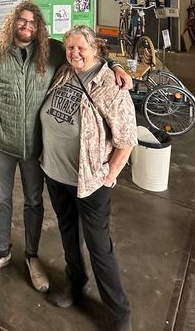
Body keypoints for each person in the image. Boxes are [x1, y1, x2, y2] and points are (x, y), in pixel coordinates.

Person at [0, 1, 132, 294]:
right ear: (12, 22)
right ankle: (1, 252)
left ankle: (32, 257)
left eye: (33, 23)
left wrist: (116, 66)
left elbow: (88, 54)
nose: (27, 27)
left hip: (36, 148)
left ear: (40, 27)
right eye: (22, 21)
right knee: (1, 200)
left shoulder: (54, 50)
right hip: (2, 143)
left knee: (34, 202)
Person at [40, 25, 137, 331]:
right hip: (55, 173)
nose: (75, 53)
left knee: (98, 245)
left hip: (90, 180)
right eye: (70, 47)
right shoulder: (65, 71)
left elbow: (126, 138)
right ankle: (75, 282)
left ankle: (119, 311)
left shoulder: (110, 83)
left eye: (82, 47)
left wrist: (110, 175)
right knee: (68, 232)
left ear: (96, 49)